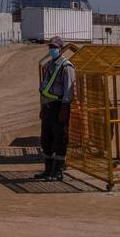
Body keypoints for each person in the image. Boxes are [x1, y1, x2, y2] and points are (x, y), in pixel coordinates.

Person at [35, 36, 75, 181]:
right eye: (50, 47)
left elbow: (68, 90)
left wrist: (64, 109)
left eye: (54, 47)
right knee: (46, 139)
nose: (51, 49)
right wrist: (43, 107)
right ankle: (48, 170)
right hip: (47, 107)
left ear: (60, 48)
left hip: (59, 107)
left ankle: (57, 171)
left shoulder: (67, 67)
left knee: (60, 138)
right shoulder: (50, 65)